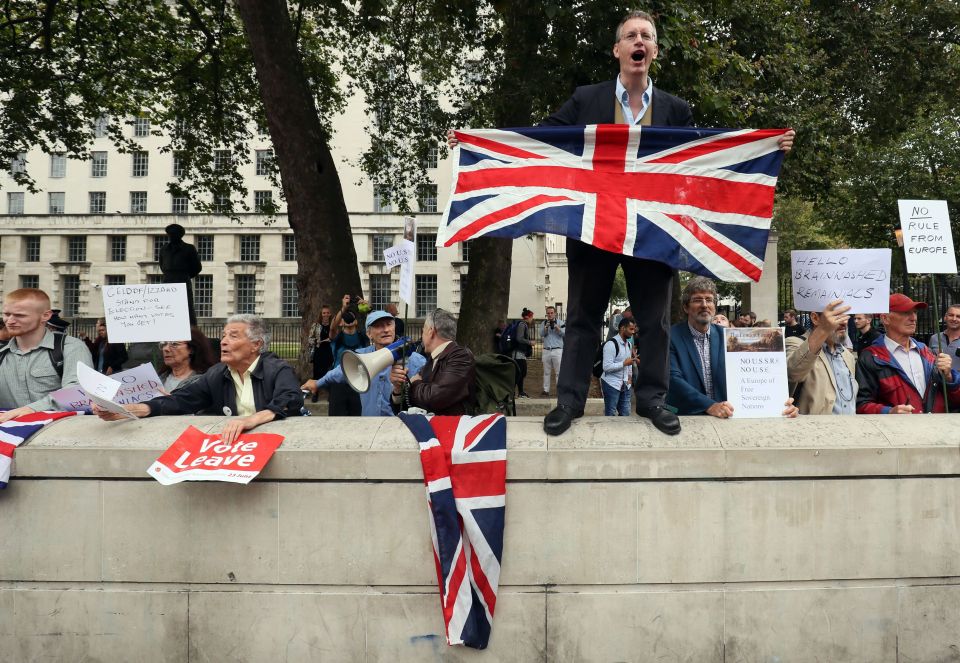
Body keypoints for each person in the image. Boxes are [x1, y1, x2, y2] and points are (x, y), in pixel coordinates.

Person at [522, 10, 796, 436]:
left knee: (654, 321)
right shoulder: (585, 98)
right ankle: (570, 402)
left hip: (651, 231)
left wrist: (766, 146)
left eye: (646, 36)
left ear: (653, 51)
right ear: (618, 50)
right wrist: (480, 144)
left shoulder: (675, 109)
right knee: (582, 318)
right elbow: (544, 143)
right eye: (631, 35)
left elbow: (701, 163)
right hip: (594, 227)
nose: (639, 41)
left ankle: (652, 399)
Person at [93, 315, 302, 444]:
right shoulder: (218, 374)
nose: (224, 342)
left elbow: (291, 399)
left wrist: (251, 420)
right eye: (223, 336)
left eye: (233, 336)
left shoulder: (277, 369)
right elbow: (181, 400)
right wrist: (130, 409)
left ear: (256, 345)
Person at [667, 277, 798, 418]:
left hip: (727, 416)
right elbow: (673, 379)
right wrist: (709, 405)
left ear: (714, 306)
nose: (704, 305)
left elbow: (755, 375)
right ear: (686, 307)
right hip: (687, 417)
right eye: (697, 300)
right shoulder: (670, 337)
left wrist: (779, 402)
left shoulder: (730, 337)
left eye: (709, 300)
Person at [302, 310, 426, 416]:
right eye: (379, 326)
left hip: (399, 425)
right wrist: (318, 383)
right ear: (368, 334)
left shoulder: (415, 360)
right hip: (369, 424)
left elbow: (423, 393)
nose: (386, 330)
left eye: (389, 324)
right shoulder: (360, 356)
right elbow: (340, 372)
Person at [856, 294, 960, 414]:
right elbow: (861, 404)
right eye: (905, 313)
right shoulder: (870, 357)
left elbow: (953, 400)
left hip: (935, 429)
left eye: (914, 312)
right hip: (897, 431)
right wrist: (888, 412)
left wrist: (949, 378)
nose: (913, 318)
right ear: (885, 319)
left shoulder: (926, 352)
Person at [0, 288, 93, 423]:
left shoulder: (70, 347)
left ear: (46, 316)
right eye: (6, 314)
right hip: (10, 439)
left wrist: (31, 409)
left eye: (20, 315)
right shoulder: (2, 354)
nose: (10, 321)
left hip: (58, 437)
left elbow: (77, 391)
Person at [390, 309, 475, 415]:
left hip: (454, 429)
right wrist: (398, 389)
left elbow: (437, 398)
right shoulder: (432, 361)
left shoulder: (461, 356)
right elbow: (409, 407)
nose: (422, 336)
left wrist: (415, 383)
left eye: (423, 330)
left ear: (431, 331)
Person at [785, 300, 858, 415]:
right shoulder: (794, 343)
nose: (844, 322)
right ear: (815, 318)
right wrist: (823, 329)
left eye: (846, 315)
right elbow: (793, 373)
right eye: (836, 316)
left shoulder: (847, 356)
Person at [158, 223, 203, 325]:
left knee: (187, 309)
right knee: (166, 308)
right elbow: (161, 265)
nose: (171, 236)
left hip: (183, 280)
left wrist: (184, 276)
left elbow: (197, 267)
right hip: (167, 281)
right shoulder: (164, 249)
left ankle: (191, 331)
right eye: (169, 234)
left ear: (180, 235)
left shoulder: (189, 248)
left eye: (173, 234)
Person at [158, 326, 217, 392]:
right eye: (163, 344)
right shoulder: (158, 379)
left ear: (191, 349)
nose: (165, 349)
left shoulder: (205, 382)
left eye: (174, 344)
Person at [600, 317, 637, 416]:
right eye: (631, 329)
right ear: (622, 328)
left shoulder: (628, 344)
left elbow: (629, 364)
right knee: (610, 414)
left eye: (634, 329)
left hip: (625, 384)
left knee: (625, 414)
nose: (633, 332)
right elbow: (606, 367)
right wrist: (624, 364)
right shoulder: (611, 344)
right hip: (611, 384)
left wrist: (629, 378)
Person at [307, 304, 334, 401]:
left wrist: (331, 340)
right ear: (321, 314)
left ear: (330, 314)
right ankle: (315, 394)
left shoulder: (333, 325)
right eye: (324, 313)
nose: (326, 315)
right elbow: (310, 339)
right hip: (319, 351)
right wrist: (318, 341)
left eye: (327, 313)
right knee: (317, 374)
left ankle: (331, 395)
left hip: (329, 351)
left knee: (330, 373)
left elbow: (336, 338)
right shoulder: (316, 325)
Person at [540, 306, 565, 396]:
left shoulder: (561, 322)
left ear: (555, 313)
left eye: (551, 313)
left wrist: (557, 328)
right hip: (546, 350)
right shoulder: (543, 323)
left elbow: (564, 334)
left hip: (557, 350)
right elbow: (541, 334)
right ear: (546, 314)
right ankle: (546, 390)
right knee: (546, 371)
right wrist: (546, 327)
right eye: (548, 313)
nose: (550, 315)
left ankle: (559, 391)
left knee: (558, 372)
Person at [929, 304, 960, 372]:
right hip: (938, 381)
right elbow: (930, 363)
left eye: (958, 316)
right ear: (945, 317)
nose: (954, 319)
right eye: (951, 315)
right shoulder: (934, 338)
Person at [512, 309, 534, 398]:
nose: (532, 319)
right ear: (528, 317)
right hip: (518, 354)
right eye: (532, 317)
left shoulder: (523, 325)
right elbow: (519, 338)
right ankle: (513, 392)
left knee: (521, 373)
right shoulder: (522, 325)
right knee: (519, 373)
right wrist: (530, 342)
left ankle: (520, 392)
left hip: (521, 354)